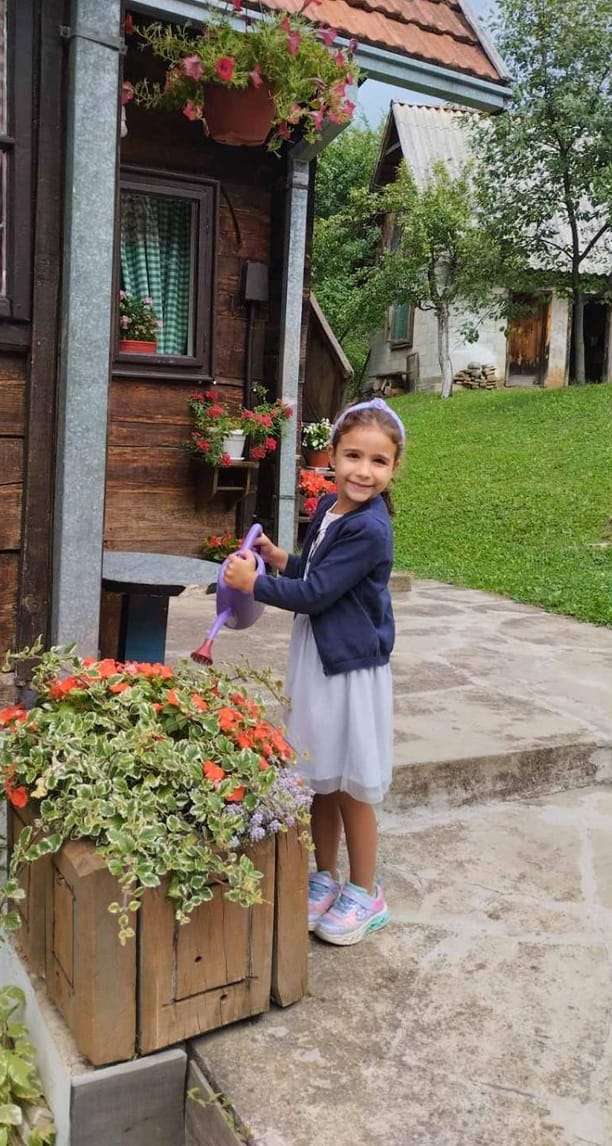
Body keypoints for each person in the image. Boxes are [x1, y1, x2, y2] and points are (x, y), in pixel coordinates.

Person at [222, 398, 403, 947]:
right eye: (353, 456)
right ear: (333, 455)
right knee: (320, 776)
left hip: (349, 668)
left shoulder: (370, 529)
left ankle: (366, 892)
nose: (363, 471)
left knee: (350, 785)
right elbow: (314, 572)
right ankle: (325, 877)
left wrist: (257, 586)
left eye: (378, 461)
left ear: (394, 467)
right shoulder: (329, 508)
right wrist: (279, 559)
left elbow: (317, 594)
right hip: (319, 658)